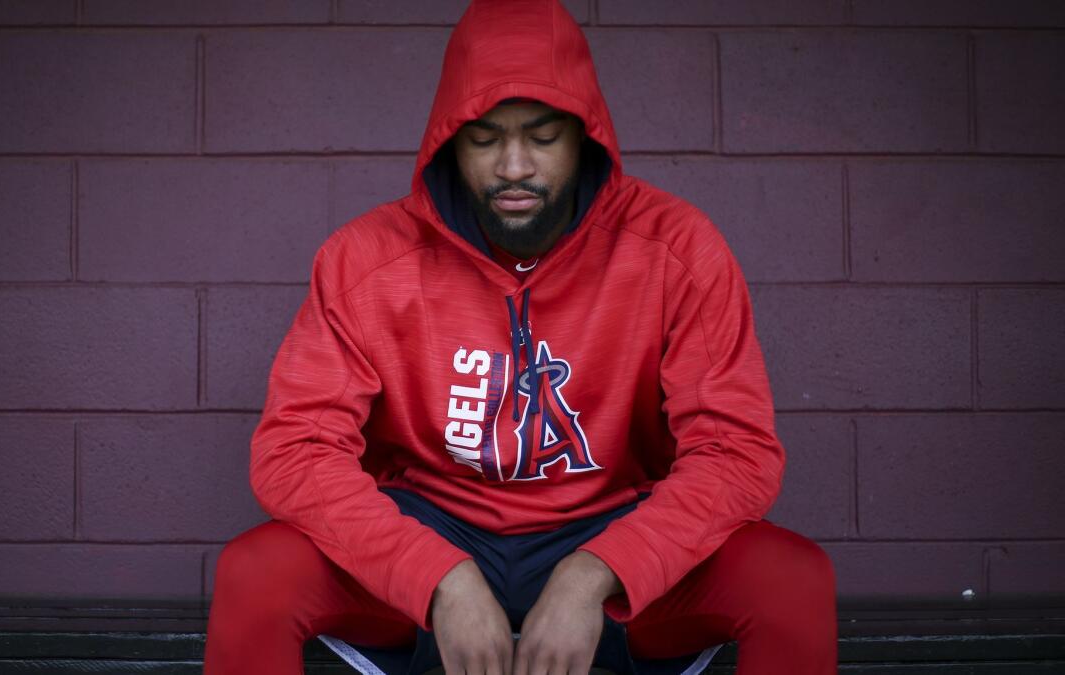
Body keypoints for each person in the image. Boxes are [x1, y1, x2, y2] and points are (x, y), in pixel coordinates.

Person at [202, 0, 838, 673]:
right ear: (448, 139)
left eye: (541, 135)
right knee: (255, 572)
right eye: (483, 137)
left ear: (585, 134)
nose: (512, 165)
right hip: (429, 525)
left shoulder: (676, 248)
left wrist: (594, 573)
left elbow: (736, 452)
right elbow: (295, 449)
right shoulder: (365, 259)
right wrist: (437, 576)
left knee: (790, 578)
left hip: (612, 529)